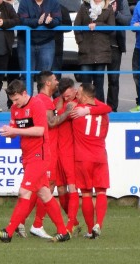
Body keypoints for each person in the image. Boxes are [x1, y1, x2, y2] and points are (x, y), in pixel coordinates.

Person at [0, 79, 71, 243]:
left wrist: (14, 130)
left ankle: (9, 231)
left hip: (39, 155)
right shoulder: (15, 108)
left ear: (24, 93)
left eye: (16, 99)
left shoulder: (37, 105)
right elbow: (15, 130)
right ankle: (63, 232)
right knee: (45, 193)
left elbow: (41, 130)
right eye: (12, 100)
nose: (14, 103)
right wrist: (9, 131)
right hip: (27, 156)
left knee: (24, 192)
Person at [29, 71, 74, 238]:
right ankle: (36, 224)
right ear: (47, 83)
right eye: (55, 79)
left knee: (41, 188)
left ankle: (29, 223)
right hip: (46, 150)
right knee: (45, 188)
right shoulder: (43, 100)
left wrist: (61, 101)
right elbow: (51, 122)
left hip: (48, 150)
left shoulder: (43, 100)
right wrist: (68, 110)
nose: (57, 82)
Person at [71, 83, 111, 238]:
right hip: (100, 155)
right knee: (101, 191)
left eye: (79, 93)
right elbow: (106, 108)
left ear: (86, 96)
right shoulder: (103, 111)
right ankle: (98, 225)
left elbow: (59, 114)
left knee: (86, 193)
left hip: (83, 157)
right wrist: (90, 109)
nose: (77, 96)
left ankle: (89, 230)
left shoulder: (75, 110)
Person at [53, 77, 81, 236]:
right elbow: (52, 118)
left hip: (70, 152)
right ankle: (75, 222)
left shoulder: (80, 102)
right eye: (64, 96)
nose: (66, 99)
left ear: (74, 90)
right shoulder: (58, 101)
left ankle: (69, 227)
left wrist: (62, 110)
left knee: (72, 188)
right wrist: (63, 108)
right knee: (61, 189)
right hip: (56, 152)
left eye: (68, 96)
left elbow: (102, 108)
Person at [74, 0, 115, 102]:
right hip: (86, 50)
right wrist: (80, 42)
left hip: (102, 51)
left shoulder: (108, 8)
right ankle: (84, 105)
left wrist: (97, 24)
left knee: (99, 83)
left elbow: (112, 28)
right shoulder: (84, 7)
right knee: (85, 82)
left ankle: (99, 108)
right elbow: (76, 25)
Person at [17, 0, 62, 94]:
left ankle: (43, 105)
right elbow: (22, 20)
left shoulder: (53, 2)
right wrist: (38, 21)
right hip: (26, 42)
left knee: (45, 77)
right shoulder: (24, 2)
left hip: (47, 42)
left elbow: (58, 20)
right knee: (26, 75)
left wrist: (50, 21)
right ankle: (27, 104)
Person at [106, 0, 131, 112]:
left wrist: (116, 13)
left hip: (115, 45)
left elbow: (127, 20)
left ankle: (112, 108)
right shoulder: (97, 1)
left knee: (114, 79)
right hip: (98, 45)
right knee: (97, 78)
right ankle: (96, 107)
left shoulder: (122, 2)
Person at [4, 0, 21, 110]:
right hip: (3, 43)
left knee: (14, 76)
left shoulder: (20, 5)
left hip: (18, 44)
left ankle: (14, 102)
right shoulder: (0, 5)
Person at [52, 4, 72, 81]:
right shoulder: (39, 7)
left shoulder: (62, 8)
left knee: (56, 77)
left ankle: (56, 93)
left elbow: (69, 27)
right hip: (40, 46)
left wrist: (54, 24)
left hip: (57, 47)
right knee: (43, 76)